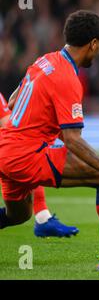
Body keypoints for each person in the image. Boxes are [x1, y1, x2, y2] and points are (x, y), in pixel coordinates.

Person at [0, 10, 99, 272]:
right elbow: (72, 140)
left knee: (18, 215)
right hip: (26, 154)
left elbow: (12, 102)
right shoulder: (67, 77)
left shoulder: (45, 60)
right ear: (94, 43)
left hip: (5, 147)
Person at [0, 92, 79, 238]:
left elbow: (6, 120)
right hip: (8, 152)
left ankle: (42, 218)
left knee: (20, 215)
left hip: (6, 151)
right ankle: (43, 218)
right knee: (30, 155)